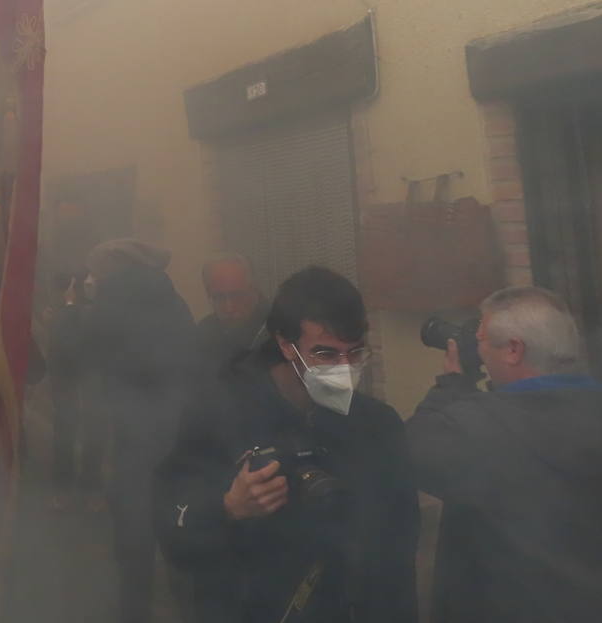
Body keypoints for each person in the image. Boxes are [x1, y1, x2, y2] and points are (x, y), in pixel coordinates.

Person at [156, 266, 419, 623]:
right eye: (325, 354)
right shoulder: (219, 412)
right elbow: (171, 525)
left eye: (355, 353)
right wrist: (228, 508)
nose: (344, 369)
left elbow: (399, 548)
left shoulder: (377, 424)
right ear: (285, 344)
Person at [405, 286, 602, 623]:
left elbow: (411, 451)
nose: (478, 352)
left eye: (480, 340)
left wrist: (453, 383)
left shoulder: (479, 427)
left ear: (513, 350)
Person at [82, 238, 196, 623]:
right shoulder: (173, 298)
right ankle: (192, 607)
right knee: (179, 520)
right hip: (178, 429)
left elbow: (88, 357)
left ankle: (135, 610)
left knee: (134, 530)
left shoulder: (109, 302)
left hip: (133, 434)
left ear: (111, 268)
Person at [46, 270, 107, 510]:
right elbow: (61, 346)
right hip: (67, 383)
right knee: (65, 434)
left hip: (91, 382)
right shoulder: (62, 312)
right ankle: (65, 489)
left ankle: (90, 488)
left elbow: (82, 343)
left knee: (93, 434)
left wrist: (69, 308)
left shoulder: (91, 311)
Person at [195, 254, 269, 364]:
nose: (228, 308)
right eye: (219, 297)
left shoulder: (276, 330)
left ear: (253, 290)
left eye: (236, 296)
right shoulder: (203, 332)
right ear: (208, 293)